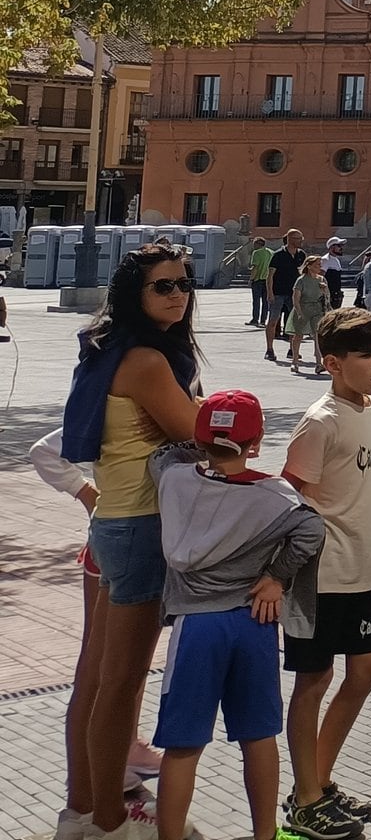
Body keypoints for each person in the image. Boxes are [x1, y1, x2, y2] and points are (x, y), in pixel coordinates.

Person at [67, 242, 203, 840]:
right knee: (122, 682)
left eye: (183, 283)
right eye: (163, 286)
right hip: (142, 527)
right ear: (135, 295)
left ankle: (82, 809)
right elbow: (205, 434)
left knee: (96, 678)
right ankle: (109, 820)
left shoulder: (105, 349)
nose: (178, 294)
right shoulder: (147, 361)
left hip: (108, 527)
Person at [151, 391, 327, 840]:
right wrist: (276, 578)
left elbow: (166, 453)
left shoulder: (173, 480)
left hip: (196, 627)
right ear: (258, 441)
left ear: (200, 438)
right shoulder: (274, 496)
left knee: (183, 744)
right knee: (258, 737)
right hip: (253, 621)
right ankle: (264, 834)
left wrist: (202, 436)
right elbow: (311, 529)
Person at [280, 308, 371, 840]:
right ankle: (305, 800)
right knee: (315, 679)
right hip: (318, 580)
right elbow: (288, 502)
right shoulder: (320, 422)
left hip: (362, 574)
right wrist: (276, 575)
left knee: (367, 670)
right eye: (366, 355)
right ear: (332, 363)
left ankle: (317, 783)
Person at [33, 428, 163, 840]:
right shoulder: (120, 392)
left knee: (118, 673)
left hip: (127, 542)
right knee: (108, 672)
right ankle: (93, 812)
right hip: (123, 544)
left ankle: (101, 792)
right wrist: (88, 494)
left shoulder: (125, 386)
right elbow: (44, 451)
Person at [266, 230, 307, 363]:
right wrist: (270, 293)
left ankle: (292, 350)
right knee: (273, 320)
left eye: (301, 238)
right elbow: (270, 275)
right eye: (298, 238)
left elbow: (304, 274)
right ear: (290, 239)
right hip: (278, 292)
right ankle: (270, 349)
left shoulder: (301, 255)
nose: (301, 241)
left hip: (294, 293)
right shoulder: (278, 255)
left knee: (294, 323)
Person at [290, 255, 330, 374]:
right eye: (317, 264)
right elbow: (296, 298)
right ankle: (295, 361)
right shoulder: (301, 280)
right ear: (309, 266)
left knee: (317, 335)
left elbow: (327, 296)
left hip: (317, 309)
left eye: (320, 264)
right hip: (303, 308)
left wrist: (325, 290)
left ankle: (319, 363)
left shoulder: (321, 279)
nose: (320, 266)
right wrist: (299, 312)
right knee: (298, 336)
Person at [249, 236, 276, 326]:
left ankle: (255, 319)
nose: (253, 246)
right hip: (268, 280)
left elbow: (255, 267)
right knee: (266, 301)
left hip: (258, 280)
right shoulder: (271, 252)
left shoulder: (256, 253)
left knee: (256, 301)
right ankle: (263, 320)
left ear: (257, 244)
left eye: (254, 244)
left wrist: (251, 279)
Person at [322, 237, 348, 309]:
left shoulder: (336, 260)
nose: (341, 248)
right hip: (329, 294)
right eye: (339, 246)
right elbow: (321, 277)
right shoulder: (325, 260)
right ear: (332, 247)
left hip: (336, 294)